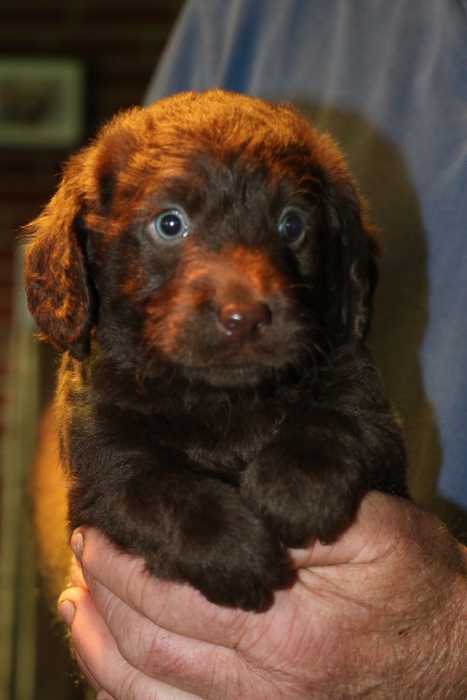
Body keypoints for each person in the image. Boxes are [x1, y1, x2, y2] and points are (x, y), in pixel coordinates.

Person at [57, 1, 467, 697]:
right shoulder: (239, 13)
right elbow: (104, 478)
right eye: (169, 224)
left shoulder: (336, 378)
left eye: (289, 225)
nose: (243, 299)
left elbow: (365, 436)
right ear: (91, 252)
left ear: (345, 267)